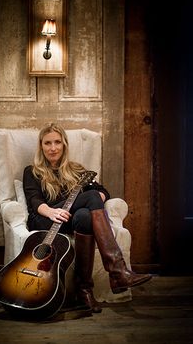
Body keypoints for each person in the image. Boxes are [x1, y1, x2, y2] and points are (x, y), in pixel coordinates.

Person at [23, 122, 152, 314]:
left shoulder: (77, 170)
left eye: (57, 142)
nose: (53, 148)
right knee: (89, 199)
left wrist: (97, 198)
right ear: (41, 146)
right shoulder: (32, 171)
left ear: (64, 144)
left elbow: (102, 191)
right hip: (45, 220)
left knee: (84, 215)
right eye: (47, 143)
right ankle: (117, 271)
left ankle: (84, 290)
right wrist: (51, 211)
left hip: (72, 220)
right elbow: (34, 200)